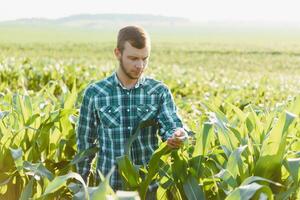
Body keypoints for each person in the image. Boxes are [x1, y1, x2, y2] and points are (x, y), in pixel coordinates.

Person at [76, 25, 189, 199]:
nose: (140, 65)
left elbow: (172, 125)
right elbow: (85, 145)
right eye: (133, 58)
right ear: (117, 53)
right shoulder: (95, 93)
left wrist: (177, 135)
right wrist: (81, 188)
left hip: (149, 189)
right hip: (109, 191)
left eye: (145, 58)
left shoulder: (158, 91)